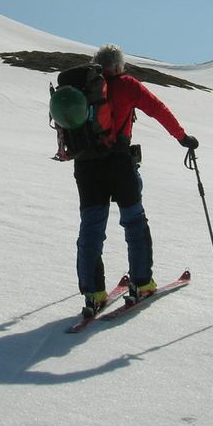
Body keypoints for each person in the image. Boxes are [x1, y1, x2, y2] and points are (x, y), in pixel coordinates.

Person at [73, 43, 198, 317]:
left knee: (91, 228)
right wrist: (182, 137)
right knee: (133, 220)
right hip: (118, 163)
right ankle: (142, 283)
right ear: (118, 66)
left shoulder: (82, 88)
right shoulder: (127, 85)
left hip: (86, 166)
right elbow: (158, 109)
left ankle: (93, 293)